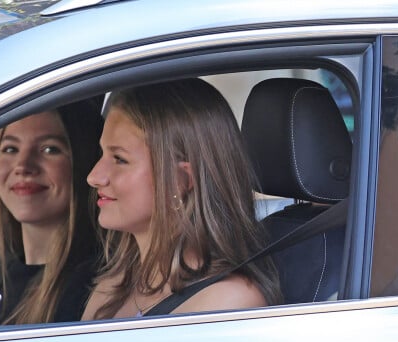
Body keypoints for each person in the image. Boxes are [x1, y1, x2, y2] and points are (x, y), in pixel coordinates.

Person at [82, 78, 282, 320]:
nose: (94, 177)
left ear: (183, 180)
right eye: (102, 153)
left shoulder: (228, 301)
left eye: (120, 159)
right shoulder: (112, 287)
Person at [0, 98, 104, 325]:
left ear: (85, 162)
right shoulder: (2, 273)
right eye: (10, 148)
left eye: (50, 149)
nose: (23, 166)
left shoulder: (86, 291)